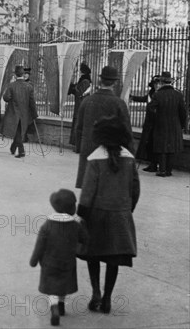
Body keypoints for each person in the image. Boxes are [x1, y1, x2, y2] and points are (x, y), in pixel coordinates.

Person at [76, 116, 140, 314]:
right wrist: (128, 209)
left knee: (92, 255)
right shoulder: (129, 158)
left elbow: (88, 191)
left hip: (96, 215)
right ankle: (107, 298)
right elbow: (135, 188)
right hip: (120, 215)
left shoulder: (95, 158)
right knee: (114, 260)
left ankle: (95, 292)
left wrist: (82, 214)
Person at [30, 189, 87, 326]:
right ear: (72, 208)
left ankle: (54, 306)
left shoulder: (47, 226)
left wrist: (34, 260)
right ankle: (61, 305)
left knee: (52, 286)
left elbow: (40, 245)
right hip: (68, 262)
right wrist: (82, 223)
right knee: (63, 283)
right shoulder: (75, 226)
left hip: (49, 262)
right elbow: (85, 239)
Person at [74, 66, 134, 188]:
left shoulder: (87, 101)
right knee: (106, 189)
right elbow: (127, 132)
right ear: (114, 82)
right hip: (110, 153)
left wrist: (81, 147)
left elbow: (78, 128)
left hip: (88, 150)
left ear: (101, 80)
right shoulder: (118, 103)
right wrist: (131, 154)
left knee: (89, 189)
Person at [148, 71, 187, 177]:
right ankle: (169, 170)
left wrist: (155, 119)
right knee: (171, 148)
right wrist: (182, 125)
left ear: (161, 82)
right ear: (170, 82)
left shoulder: (158, 94)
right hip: (175, 125)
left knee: (161, 148)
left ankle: (162, 170)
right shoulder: (178, 94)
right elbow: (183, 112)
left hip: (161, 124)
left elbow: (150, 109)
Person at [0, 65, 38, 158]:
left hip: (13, 112)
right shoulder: (29, 86)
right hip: (25, 113)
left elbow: (6, 98)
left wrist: (9, 87)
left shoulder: (11, 85)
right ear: (23, 74)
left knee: (17, 131)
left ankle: (21, 151)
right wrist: (34, 114)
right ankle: (13, 148)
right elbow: (32, 102)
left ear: (15, 75)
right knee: (19, 131)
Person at [129, 74, 160, 172]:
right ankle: (152, 163)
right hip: (149, 122)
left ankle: (155, 164)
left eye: (158, 84)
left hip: (157, 123)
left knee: (155, 144)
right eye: (155, 84)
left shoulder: (160, 94)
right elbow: (144, 99)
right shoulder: (152, 93)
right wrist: (133, 97)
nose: (157, 86)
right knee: (149, 143)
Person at [68, 62, 92, 151]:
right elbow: (77, 89)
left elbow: (80, 92)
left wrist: (73, 87)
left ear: (83, 72)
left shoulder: (85, 81)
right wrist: (71, 86)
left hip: (82, 106)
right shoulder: (83, 80)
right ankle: (77, 145)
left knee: (79, 126)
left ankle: (79, 147)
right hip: (79, 105)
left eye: (80, 71)